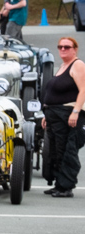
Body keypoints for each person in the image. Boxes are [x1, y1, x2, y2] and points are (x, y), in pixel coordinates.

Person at [41, 37, 85, 198]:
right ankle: (59, 184)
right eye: (60, 47)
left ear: (75, 49)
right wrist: (47, 114)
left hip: (67, 114)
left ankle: (66, 187)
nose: (63, 49)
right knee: (55, 150)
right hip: (53, 115)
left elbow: (83, 90)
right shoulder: (63, 66)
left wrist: (76, 112)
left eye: (67, 47)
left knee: (67, 149)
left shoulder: (78, 65)